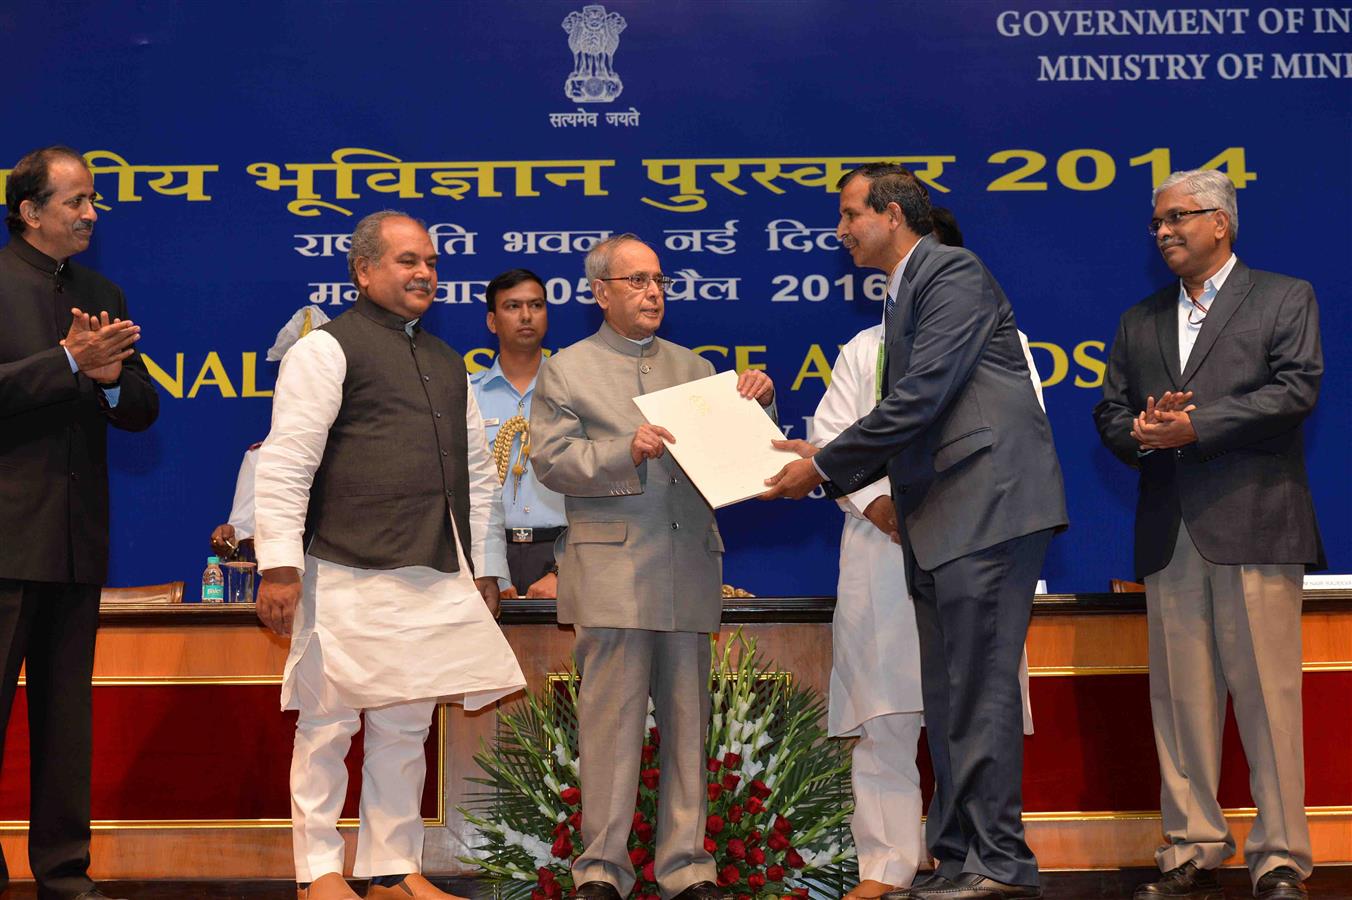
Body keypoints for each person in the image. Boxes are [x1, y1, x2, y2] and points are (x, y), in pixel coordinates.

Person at [764, 163, 1067, 900]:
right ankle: (961, 855)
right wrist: (824, 457)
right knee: (953, 689)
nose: (839, 231)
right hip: (945, 517)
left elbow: (924, 398)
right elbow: (911, 415)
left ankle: (1000, 862)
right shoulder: (904, 299)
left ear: (894, 214)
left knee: (981, 689)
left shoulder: (951, 274)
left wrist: (827, 466)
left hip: (986, 510)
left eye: (849, 215)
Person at [254, 210, 525, 900]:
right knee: (328, 722)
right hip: (344, 565)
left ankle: (390, 868)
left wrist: (484, 567)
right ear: (365, 271)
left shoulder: (443, 360)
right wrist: (280, 566)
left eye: (431, 262)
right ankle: (318, 871)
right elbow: (286, 463)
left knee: (406, 723)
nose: (425, 273)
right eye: (408, 261)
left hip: (432, 568)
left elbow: (477, 477)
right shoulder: (326, 350)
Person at [1093, 169, 1322, 900]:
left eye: (1178, 218)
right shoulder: (1140, 318)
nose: (1163, 232)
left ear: (1221, 223)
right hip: (1170, 532)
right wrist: (1142, 431)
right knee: (1181, 701)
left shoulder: (1285, 296)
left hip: (1255, 523)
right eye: (1157, 222)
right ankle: (1193, 843)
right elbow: (1109, 413)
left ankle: (1281, 854)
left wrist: (1197, 425)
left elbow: (1295, 390)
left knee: (1267, 697)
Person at [530, 234, 774, 900]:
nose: (652, 292)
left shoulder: (696, 370)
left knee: (688, 725)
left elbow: (752, 463)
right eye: (635, 281)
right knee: (608, 729)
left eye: (658, 279)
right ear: (600, 293)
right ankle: (602, 872)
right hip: (612, 572)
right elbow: (551, 463)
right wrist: (622, 451)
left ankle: (687, 869)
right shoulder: (567, 370)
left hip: (689, 567)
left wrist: (757, 403)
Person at [0, 145, 159, 900]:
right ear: (31, 212)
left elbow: (143, 406)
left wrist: (104, 380)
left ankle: (63, 872)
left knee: (67, 726)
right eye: (77, 202)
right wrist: (64, 360)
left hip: (77, 542)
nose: (93, 213)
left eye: (93, 201)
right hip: (3, 542)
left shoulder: (102, 290)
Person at [470, 268, 567, 598]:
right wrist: (489, 570)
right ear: (492, 322)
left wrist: (563, 569)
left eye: (536, 305)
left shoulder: (575, 392)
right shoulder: (468, 396)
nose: (526, 315)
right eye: (512, 306)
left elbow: (596, 489)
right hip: (488, 558)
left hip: (564, 552)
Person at [210, 305, 331, 561]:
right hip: (288, 577)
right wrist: (231, 535)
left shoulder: (363, 450)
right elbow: (245, 528)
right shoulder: (261, 456)